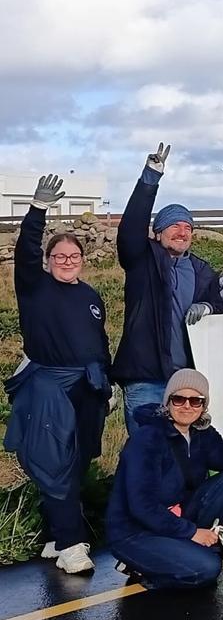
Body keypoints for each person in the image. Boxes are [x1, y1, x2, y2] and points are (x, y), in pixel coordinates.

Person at [3, 175, 112, 574]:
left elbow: (98, 342)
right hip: (48, 383)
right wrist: (36, 211)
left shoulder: (90, 296)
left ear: (82, 260)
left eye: (74, 257)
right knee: (54, 461)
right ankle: (70, 545)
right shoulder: (34, 287)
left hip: (88, 384)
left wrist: (108, 382)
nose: (67, 262)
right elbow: (26, 251)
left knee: (78, 460)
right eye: (60, 257)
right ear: (49, 262)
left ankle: (54, 535)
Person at [112, 143, 223, 438]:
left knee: (183, 455)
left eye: (187, 227)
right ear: (157, 232)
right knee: (145, 453)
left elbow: (219, 306)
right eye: (173, 225)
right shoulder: (141, 260)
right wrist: (150, 178)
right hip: (145, 378)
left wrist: (210, 308)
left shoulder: (202, 271)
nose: (182, 231)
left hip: (186, 381)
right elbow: (129, 230)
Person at [106, 369, 223, 590]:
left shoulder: (202, 433)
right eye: (179, 399)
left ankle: (188, 549)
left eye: (196, 401)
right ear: (168, 402)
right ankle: (147, 568)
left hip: (174, 517)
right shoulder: (147, 439)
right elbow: (141, 506)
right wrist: (192, 532)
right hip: (135, 531)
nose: (187, 406)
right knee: (207, 569)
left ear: (204, 406)